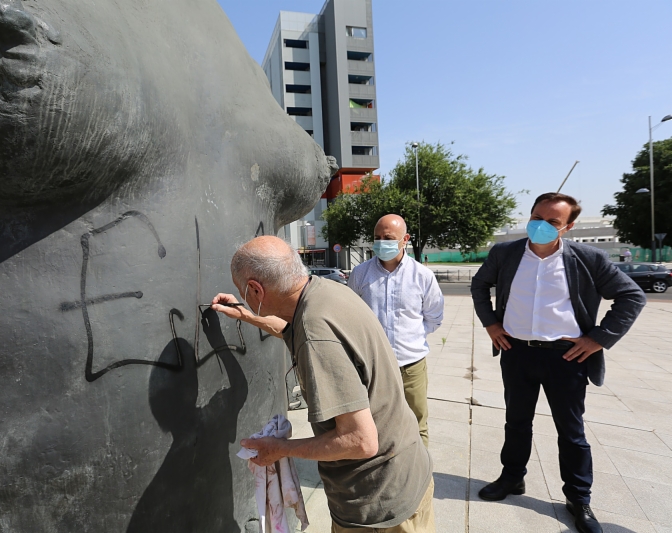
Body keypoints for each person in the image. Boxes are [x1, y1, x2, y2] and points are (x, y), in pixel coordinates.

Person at [212, 236, 435, 532]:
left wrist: (281, 448)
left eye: (245, 293)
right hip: (408, 474)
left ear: (256, 289)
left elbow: (360, 441)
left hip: (379, 505)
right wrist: (245, 314)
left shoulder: (315, 334)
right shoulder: (325, 293)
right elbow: (292, 328)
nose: (245, 297)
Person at [470, 193, 646, 533]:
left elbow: (631, 296)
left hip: (566, 357)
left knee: (571, 431)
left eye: (552, 221)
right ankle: (512, 478)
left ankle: (579, 499)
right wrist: (491, 324)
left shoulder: (587, 258)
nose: (541, 225)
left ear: (568, 226)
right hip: (517, 352)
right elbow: (480, 286)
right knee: (516, 422)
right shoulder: (505, 254)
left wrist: (598, 339)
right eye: (537, 217)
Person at [348, 215, 444, 447]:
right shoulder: (360, 274)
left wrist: (408, 338)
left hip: (410, 366)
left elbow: (434, 318)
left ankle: (419, 478)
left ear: (405, 240)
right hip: (372, 367)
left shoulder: (422, 276)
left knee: (416, 424)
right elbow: (351, 315)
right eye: (377, 238)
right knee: (373, 424)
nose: (381, 243)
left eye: (388, 238)